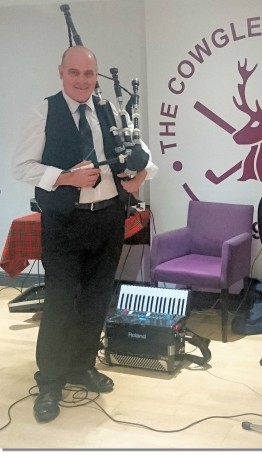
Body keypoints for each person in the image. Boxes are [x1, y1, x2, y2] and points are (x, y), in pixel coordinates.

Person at [11, 45, 158, 423]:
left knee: (96, 298)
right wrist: (64, 178)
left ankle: (81, 366)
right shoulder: (45, 112)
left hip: (107, 219)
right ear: (61, 72)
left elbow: (141, 152)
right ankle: (50, 381)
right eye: (74, 73)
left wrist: (141, 177)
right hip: (64, 222)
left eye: (88, 74)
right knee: (60, 302)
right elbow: (21, 166)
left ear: (96, 78)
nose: (82, 81)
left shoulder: (109, 111)